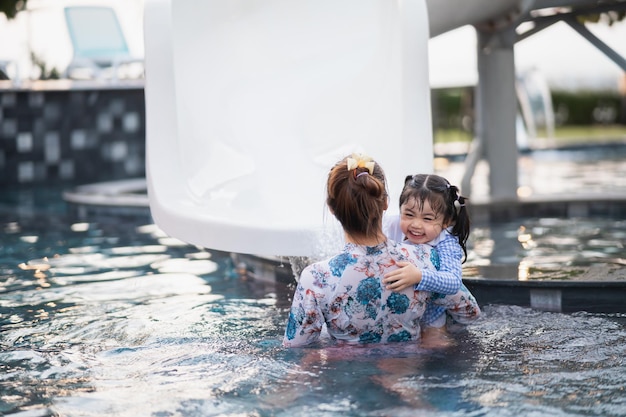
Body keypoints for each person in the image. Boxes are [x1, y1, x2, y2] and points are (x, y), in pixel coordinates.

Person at [283, 154, 480, 348]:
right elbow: (469, 313)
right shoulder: (426, 260)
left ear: (332, 208)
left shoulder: (316, 277)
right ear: (386, 202)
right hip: (410, 370)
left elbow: (297, 348)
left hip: (346, 375)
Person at [382, 173, 480, 330]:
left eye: (427, 219)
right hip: (407, 308)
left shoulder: (445, 240)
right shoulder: (391, 225)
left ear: (445, 222)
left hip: (434, 313)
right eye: (409, 214)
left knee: (434, 345)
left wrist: (419, 276)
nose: (416, 224)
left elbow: (453, 281)